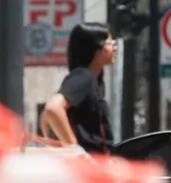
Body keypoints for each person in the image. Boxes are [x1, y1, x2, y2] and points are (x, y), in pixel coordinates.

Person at [40, 22, 117, 154]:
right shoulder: (83, 77)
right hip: (88, 167)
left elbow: (45, 117)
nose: (115, 48)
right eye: (110, 43)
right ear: (96, 49)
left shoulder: (90, 80)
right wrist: (74, 150)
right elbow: (53, 108)